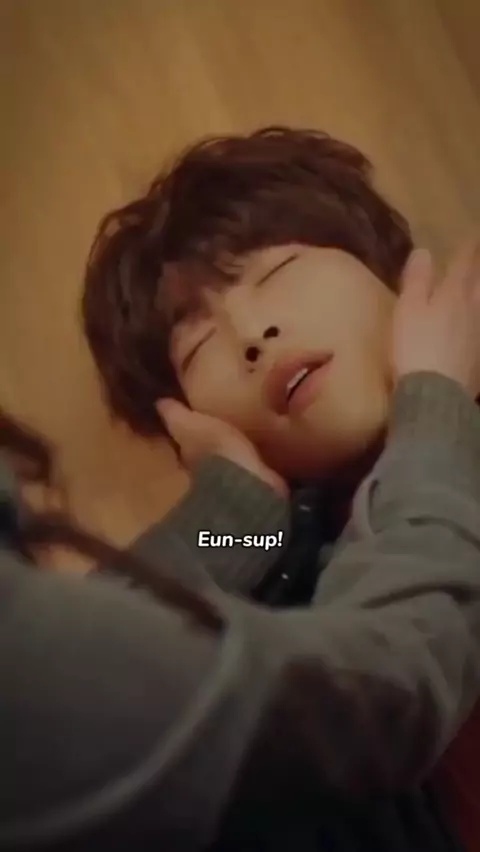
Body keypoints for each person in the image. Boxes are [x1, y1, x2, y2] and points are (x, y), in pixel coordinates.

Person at [82, 127, 480, 851]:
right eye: (197, 347)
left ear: (387, 270)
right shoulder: (272, 547)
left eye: (278, 272)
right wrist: (234, 507)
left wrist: (437, 407)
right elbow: (69, 695)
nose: (251, 334)